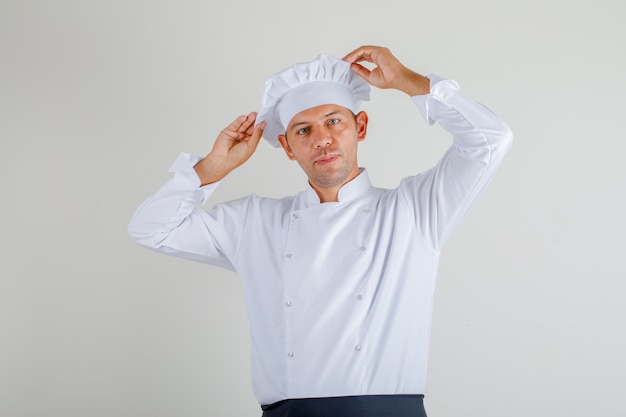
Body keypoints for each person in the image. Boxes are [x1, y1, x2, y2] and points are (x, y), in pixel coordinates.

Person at [128, 45, 513, 417]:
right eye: (303, 130)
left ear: (360, 126)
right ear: (287, 146)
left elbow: (490, 141)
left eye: (334, 121)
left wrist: (409, 81)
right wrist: (212, 169)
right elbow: (152, 228)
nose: (322, 139)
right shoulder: (254, 223)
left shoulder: (414, 210)